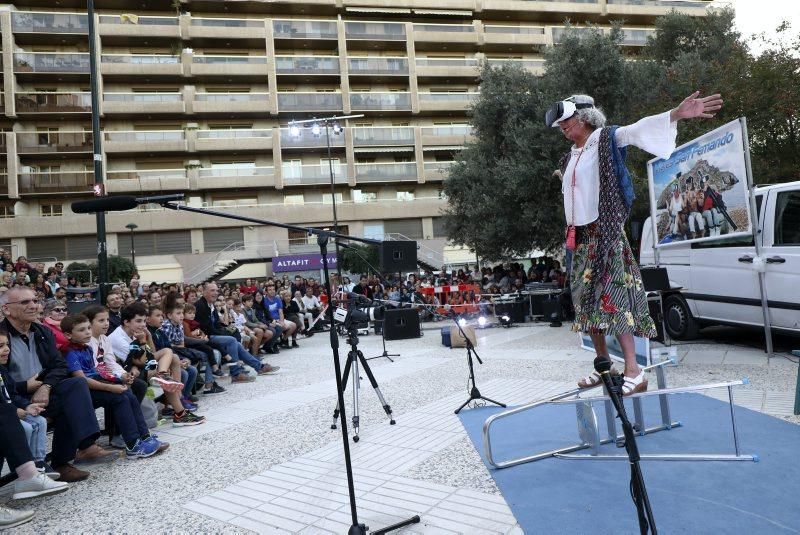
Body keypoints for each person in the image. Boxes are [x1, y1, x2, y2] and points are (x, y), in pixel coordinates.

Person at [547, 91, 722, 395]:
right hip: (582, 239)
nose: (562, 126)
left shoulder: (605, 139)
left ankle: (634, 370)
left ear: (584, 117)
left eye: (567, 120)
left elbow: (636, 129)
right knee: (586, 305)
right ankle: (603, 365)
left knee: (614, 300)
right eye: (560, 123)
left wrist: (675, 115)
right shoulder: (569, 156)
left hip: (606, 235)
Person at [1, 287, 117, 482]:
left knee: (75, 386)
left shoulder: (42, 331)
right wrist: (25, 387)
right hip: (13, 397)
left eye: (35, 301)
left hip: (43, 392)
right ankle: (58, 461)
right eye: (24, 302)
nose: (33, 306)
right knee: (70, 402)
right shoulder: (2, 337)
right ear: (6, 309)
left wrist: (45, 387)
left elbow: (59, 365)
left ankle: (72, 455)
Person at [61, 313, 169, 456]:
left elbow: (98, 371)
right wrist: (111, 387)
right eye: (82, 330)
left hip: (95, 383)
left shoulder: (85, 348)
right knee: (121, 396)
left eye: (88, 328)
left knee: (127, 391)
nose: (88, 332)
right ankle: (133, 445)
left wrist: (119, 379)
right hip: (82, 391)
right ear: (68, 335)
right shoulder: (69, 352)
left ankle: (144, 436)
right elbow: (82, 380)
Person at [107, 302, 205, 426]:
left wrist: (148, 337)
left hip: (138, 368)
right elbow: (142, 361)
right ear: (126, 322)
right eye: (138, 321)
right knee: (168, 358)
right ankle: (179, 409)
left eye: (143, 321)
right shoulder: (118, 338)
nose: (143, 325)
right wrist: (142, 341)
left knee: (173, 357)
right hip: (129, 376)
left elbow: (151, 353)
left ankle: (175, 401)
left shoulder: (133, 332)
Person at [0, 330, 59, 477]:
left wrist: (26, 406)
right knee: (25, 428)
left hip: (12, 412)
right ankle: (21, 469)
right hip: (5, 417)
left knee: (39, 421)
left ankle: (38, 462)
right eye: (0, 346)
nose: (7, 349)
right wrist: (15, 411)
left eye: (7, 344)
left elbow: (12, 394)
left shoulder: (2, 370)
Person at [195, 283, 279, 377]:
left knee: (236, 342)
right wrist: (225, 333)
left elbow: (217, 325)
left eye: (216, 291)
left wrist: (226, 330)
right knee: (231, 340)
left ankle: (259, 367)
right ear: (204, 292)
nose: (215, 293)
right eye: (212, 290)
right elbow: (206, 329)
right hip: (204, 337)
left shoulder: (211, 305)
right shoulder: (200, 306)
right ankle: (236, 373)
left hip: (213, 334)